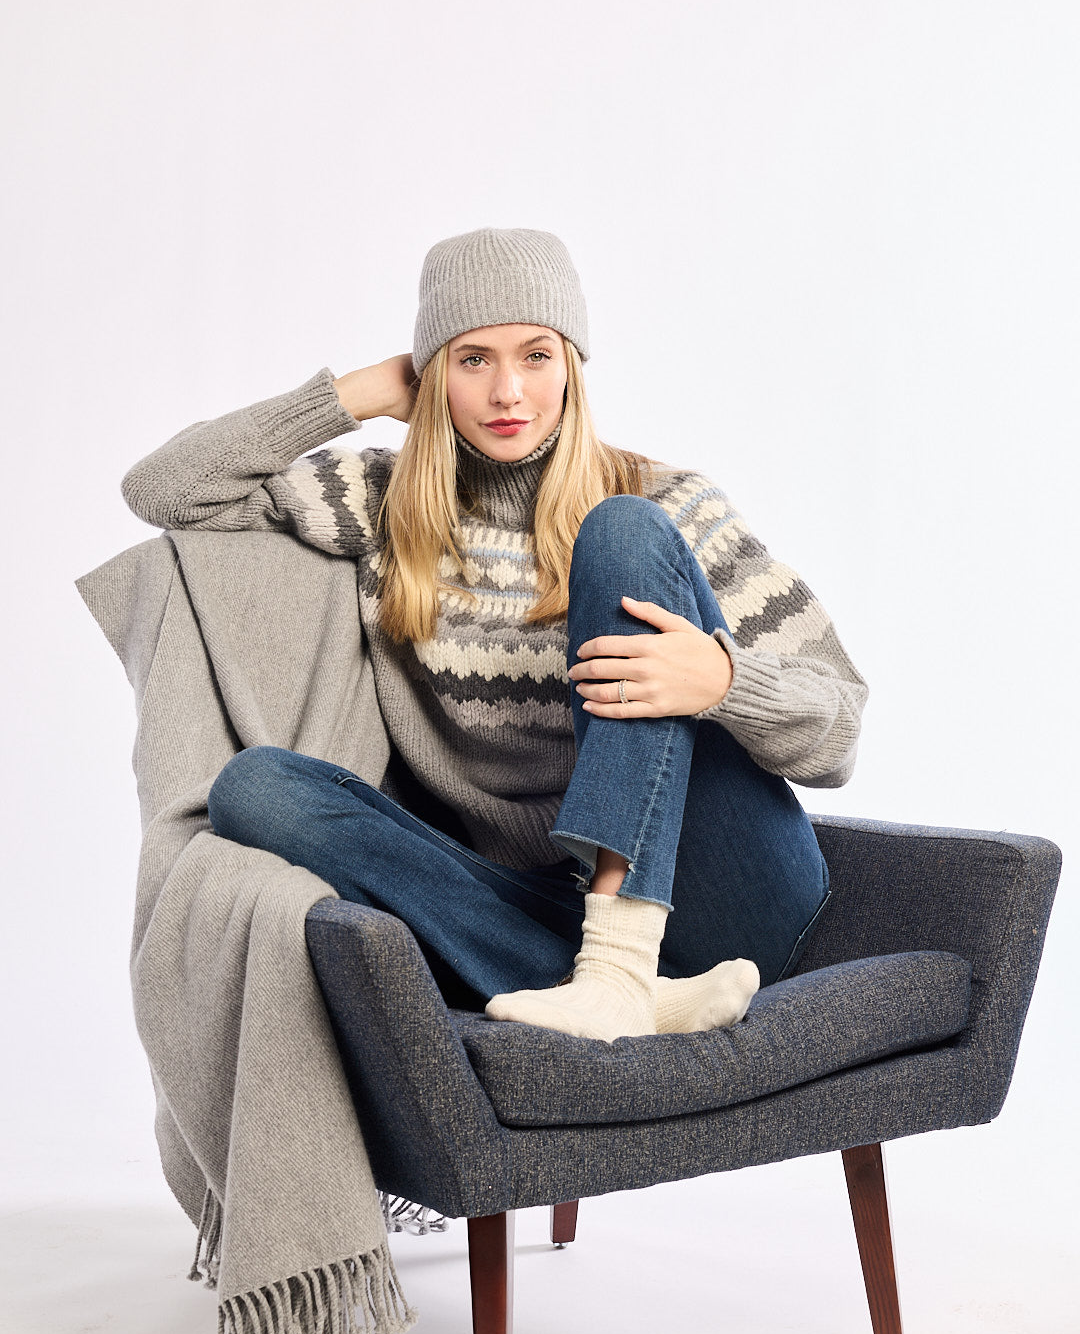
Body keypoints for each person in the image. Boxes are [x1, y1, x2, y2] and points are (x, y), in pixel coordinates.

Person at [120, 226, 867, 1043]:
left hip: (729, 890)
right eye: (473, 359)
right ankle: (632, 995)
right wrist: (359, 393)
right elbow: (166, 489)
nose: (508, 391)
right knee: (253, 789)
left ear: (571, 365)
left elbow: (841, 733)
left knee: (619, 530)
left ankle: (619, 968)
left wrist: (723, 682)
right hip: (539, 907)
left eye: (536, 356)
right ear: (434, 372)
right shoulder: (385, 506)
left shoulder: (669, 502)